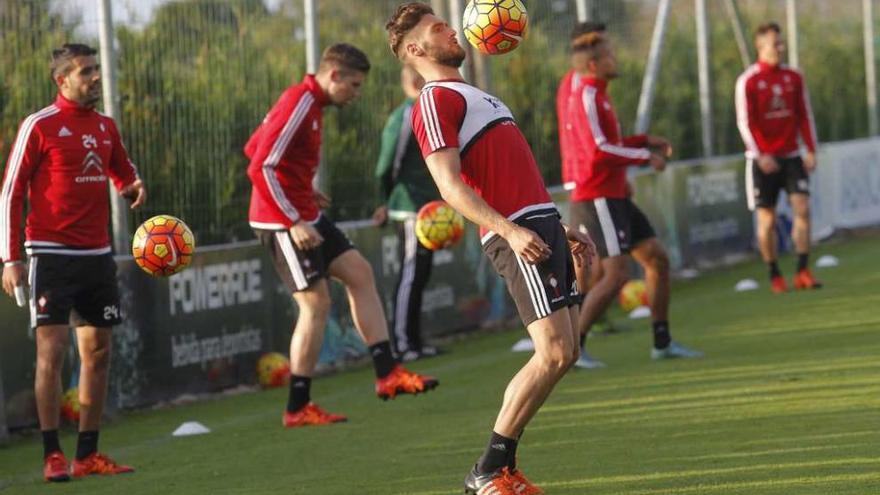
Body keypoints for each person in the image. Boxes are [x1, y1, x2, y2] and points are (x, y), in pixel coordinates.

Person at [386, 5, 594, 493]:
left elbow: (512, 173)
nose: (451, 30)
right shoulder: (433, 99)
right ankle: (487, 470)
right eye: (438, 28)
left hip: (537, 222)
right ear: (416, 50)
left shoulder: (475, 94)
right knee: (554, 351)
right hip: (516, 231)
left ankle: (499, 468)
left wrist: (557, 226)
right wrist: (510, 230)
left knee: (567, 352)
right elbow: (449, 185)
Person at [245, 43, 438, 428]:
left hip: (304, 210)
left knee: (360, 272)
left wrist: (302, 187)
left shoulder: (310, 104)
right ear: (333, 75)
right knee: (316, 305)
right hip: (281, 220)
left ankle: (388, 374)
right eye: (353, 84)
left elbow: (255, 146)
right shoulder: (300, 102)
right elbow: (260, 166)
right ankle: (298, 406)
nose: (356, 93)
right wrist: (291, 220)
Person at [0, 43, 146, 482]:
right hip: (50, 254)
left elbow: (121, 170)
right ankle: (52, 455)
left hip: (97, 255)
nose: (95, 78)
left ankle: (88, 453)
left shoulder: (105, 126)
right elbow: (11, 193)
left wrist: (133, 185)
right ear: (61, 80)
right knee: (52, 352)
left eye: (96, 70)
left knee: (98, 353)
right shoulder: (39, 126)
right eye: (85, 72)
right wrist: (9, 258)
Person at [568, 32, 702, 362]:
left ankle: (662, 342)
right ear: (593, 64)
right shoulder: (586, 95)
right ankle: (574, 349)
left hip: (615, 194)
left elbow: (611, 141)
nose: (616, 59)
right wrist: (645, 157)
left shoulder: (601, 94)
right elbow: (598, 151)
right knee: (616, 275)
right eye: (610, 55)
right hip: (597, 196)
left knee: (657, 259)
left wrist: (644, 140)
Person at [735, 22, 821, 293]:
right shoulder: (748, 80)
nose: (781, 48)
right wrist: (761, 155)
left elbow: (804, 115)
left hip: (792, 156)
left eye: (781, 43)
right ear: (761, 47)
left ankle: (803, 270)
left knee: (803, 210)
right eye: (776, 44)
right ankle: (775, 274)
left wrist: (810, 149)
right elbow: (745, 122)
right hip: (761, 160)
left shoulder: (794, 77)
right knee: (767, 220)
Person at [372, 66, 442, 362]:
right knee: (411, 273)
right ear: (417, 80)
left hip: (431, 208)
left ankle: (414, 339)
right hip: (410, 207)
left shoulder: (431, 111)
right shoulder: (405, 115)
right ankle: (401, 343)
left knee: (422, 273)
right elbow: (387, 166)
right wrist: (384, 201)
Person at [555, 21, 614, 369]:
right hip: (587, 184)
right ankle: (571, 335)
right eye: (600, 44)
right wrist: (580, 175)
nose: (605, 50)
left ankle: (581, 327)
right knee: (590, 263)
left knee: (603, 264)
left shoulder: (593, 84)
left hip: (600, 182)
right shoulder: (576, 84)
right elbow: (576, 135)